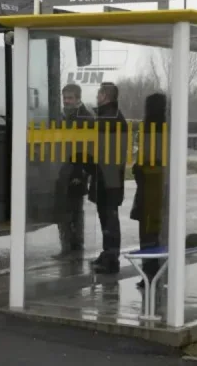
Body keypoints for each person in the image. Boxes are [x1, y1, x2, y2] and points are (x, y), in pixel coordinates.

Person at [89, 82, 128, 274]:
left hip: (108, 177)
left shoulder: (110, 119)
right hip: (108, 176)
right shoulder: (109, 116)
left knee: (109, 218)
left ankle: (111, 259)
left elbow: (101, 149)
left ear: (105, 95)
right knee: (106, 217)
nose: (97, 96)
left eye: (99, 93)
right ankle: (108, 254)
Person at [52, 83, 94, 260]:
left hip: (77, 170)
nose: (66, 101)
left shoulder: (86, 119)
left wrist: (81, 172)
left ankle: (73, 247)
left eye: (70, 98)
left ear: (78, 99)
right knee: (64, 208)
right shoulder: (63, 117)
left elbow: (88, 149)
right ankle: (69, 246)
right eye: (65, 98)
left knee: (73, 209)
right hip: (63, 169)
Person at [130, 93, 167, 290]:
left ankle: (149, 272)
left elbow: (144, 162)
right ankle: (157, 272)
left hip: (148, 189)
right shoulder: (168, 129)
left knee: (147, 233)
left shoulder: (148, 130)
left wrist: (138, 169)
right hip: (160, 188)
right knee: (158, 231)